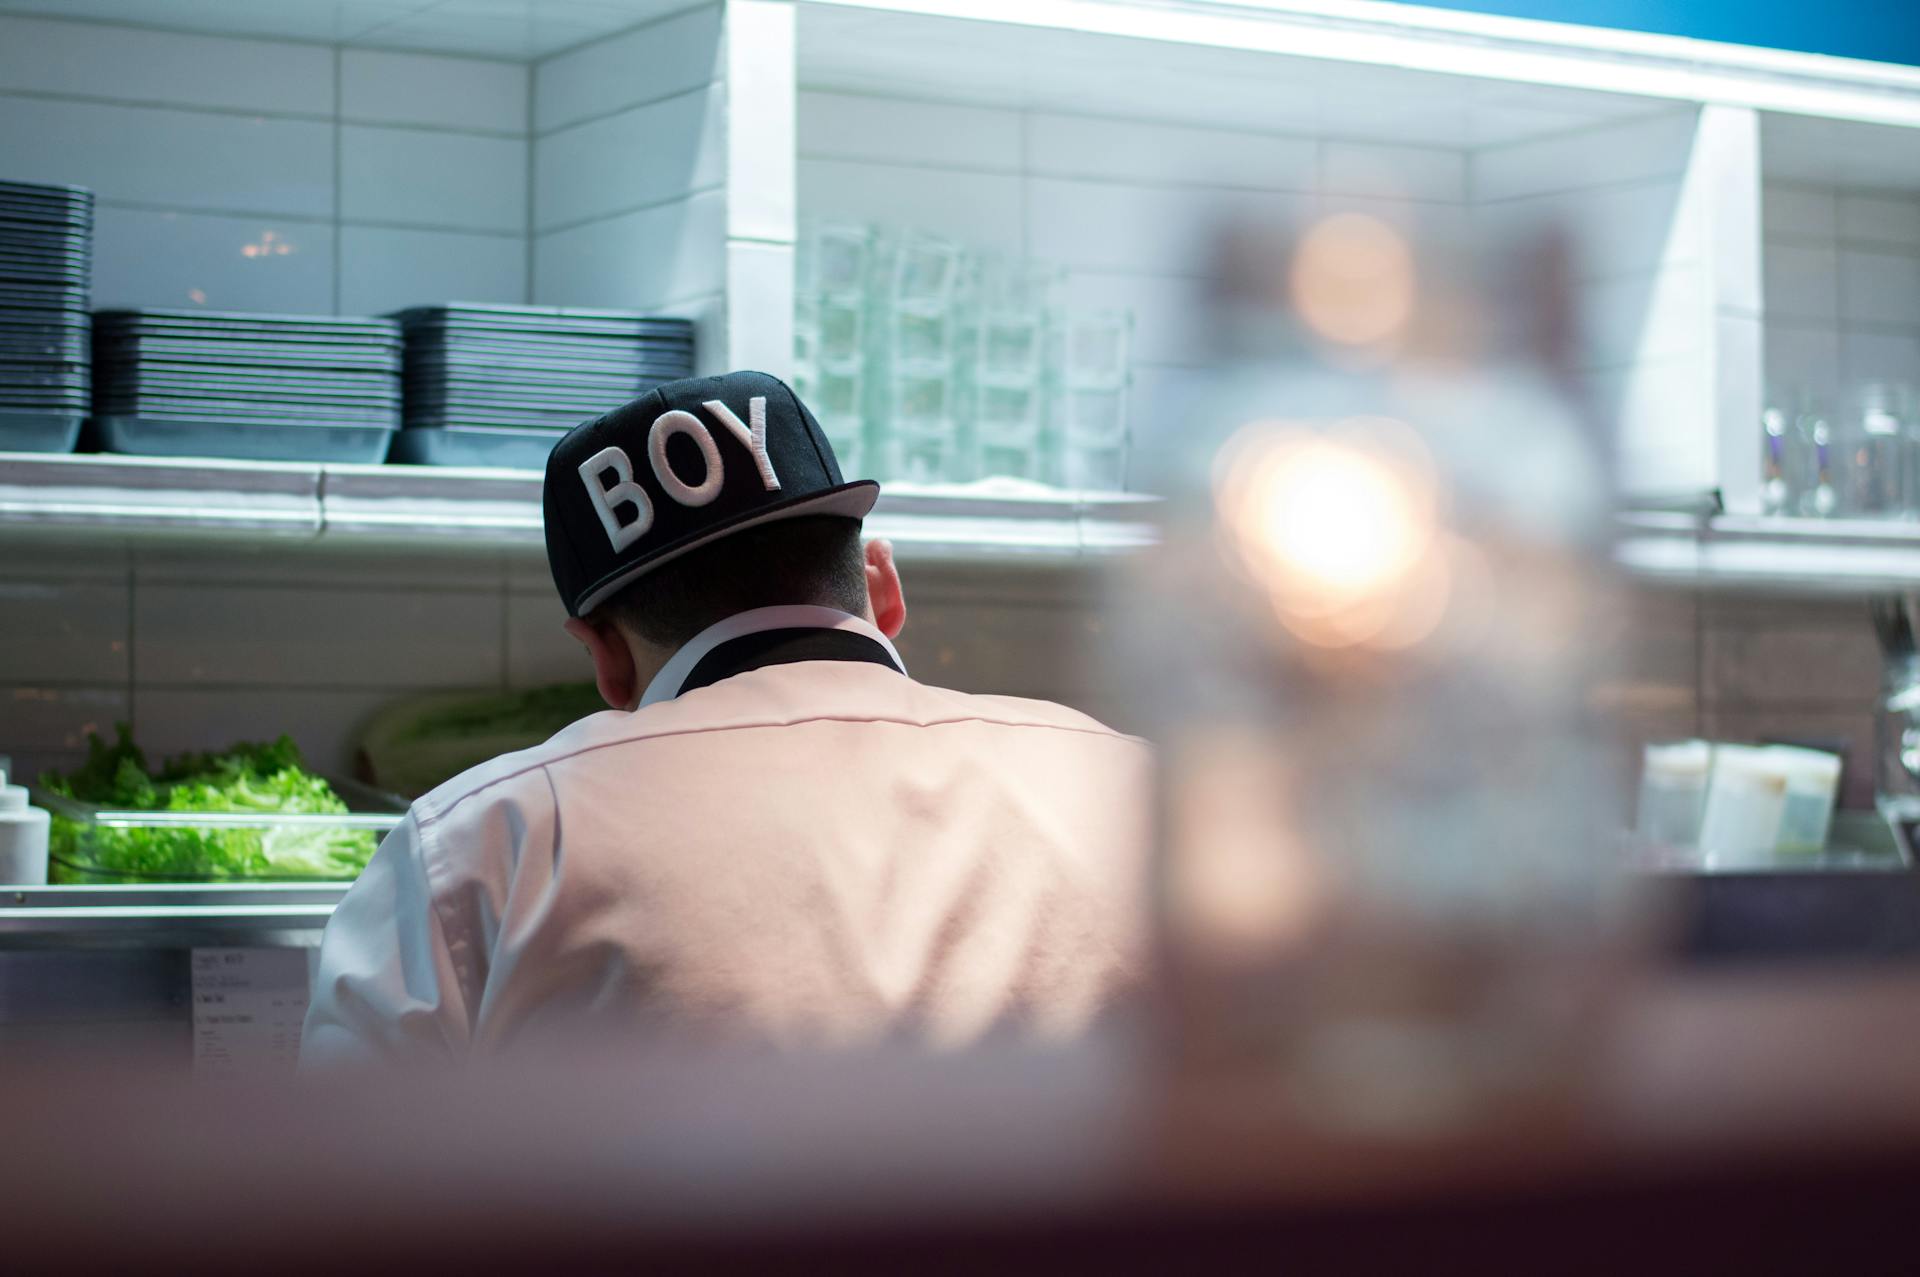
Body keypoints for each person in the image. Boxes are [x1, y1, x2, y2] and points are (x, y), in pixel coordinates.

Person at [302, 370, 1151, 1065]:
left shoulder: (481, 844)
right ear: (883, 585)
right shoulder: (1136, 786)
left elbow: (341, 1209)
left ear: (604, 656)